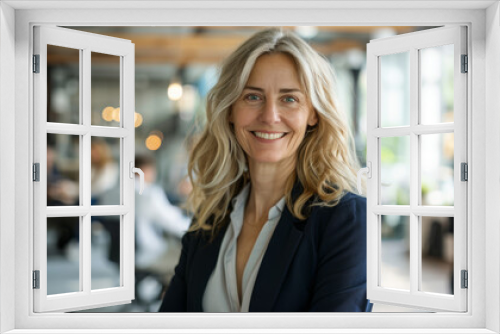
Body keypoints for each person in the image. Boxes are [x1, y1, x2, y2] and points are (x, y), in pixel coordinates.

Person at [159, 28, 370, 312]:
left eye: (289, 98)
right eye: (253, 97)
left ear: (313, 114)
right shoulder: (210, 218)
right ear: (230, 110)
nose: (270, 116)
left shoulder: (345, 220)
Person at [134, 154, 191, 283]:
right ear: (144, 170)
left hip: (122, 251)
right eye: (152, 171)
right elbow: (172, 223)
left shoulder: (119, 190)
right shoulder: (149, 193)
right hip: (147, 251)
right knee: (189, 257)